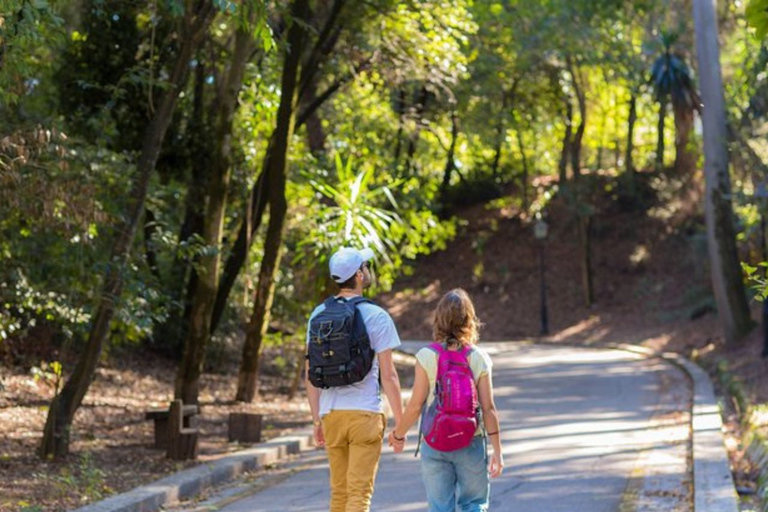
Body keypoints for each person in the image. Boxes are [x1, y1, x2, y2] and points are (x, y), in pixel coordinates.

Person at [305, 246, 404, 512]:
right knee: (359, 495)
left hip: (331, 414)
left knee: (339, 494)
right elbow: (389, 375)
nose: (367, 270)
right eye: (365, 266)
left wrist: (317, 419)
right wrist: (401, 424)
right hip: (364, 414)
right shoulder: (376, 316)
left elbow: (309, 374)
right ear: (359, 275)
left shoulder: (318, 315)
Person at [389, 288, 503, 512]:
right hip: (471, 441)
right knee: (474, 504)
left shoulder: (426, 356)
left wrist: (398, 434)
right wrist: (498, 451)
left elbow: (415, 406)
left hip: (435, 441)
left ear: (439, 319)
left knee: (440, 507)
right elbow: (489, 409)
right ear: (469, 319)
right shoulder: (479, 358)